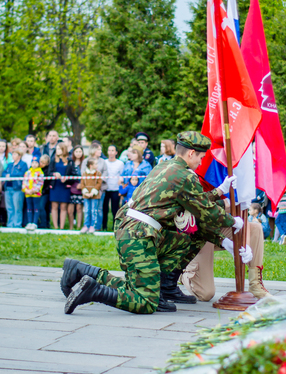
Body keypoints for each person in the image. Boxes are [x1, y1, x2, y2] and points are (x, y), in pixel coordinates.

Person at [62, 131, 244, 316]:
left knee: (186, 239)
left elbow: (194, 202)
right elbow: (205, 212)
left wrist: (219, 191)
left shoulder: (165, 166)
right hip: (139, 234)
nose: (200, 162)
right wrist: (233, 222)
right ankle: (93, 291)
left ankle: (83, 271)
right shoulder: (185, 176)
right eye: (200, 157)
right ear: (191, 153)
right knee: (145, 302)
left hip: (132, 228)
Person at [81, 142, 108, 230]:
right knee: (88, 209)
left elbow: (105, 173)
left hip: (100, 189)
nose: (100, 151)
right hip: (87, 189)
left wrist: (98, 182)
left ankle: (97, 227)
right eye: (99, 149)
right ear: (93, 150)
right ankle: (87, 225)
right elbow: (83, 174)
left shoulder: (103, 161)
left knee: (98, 209)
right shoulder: (86, 161)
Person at [49, 143, 73, 230]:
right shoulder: (53, 160)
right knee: (54, 206)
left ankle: (62, 227)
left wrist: (66, 179)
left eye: (59, 149)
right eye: (57, 149)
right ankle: (55, 226)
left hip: (64, 186)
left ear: (64, 149)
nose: (57, 150)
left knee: (63, 207)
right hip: (55, 186)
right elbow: (49, 172)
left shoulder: (69, 161)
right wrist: (54, 174)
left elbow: (73, 174)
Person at [2, 147, 27, 228]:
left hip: (17, 188)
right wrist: (6, 176)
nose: (13, 156)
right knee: (9, 207)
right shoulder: (10, 165)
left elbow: (22, 174)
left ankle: (17, 224)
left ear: (19, 155)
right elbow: (4, 173)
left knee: (17, 207)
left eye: (15, 154)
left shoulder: (23, 165)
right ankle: (10, 224)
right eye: (12, 154)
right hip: (8, 188)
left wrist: (11, 176)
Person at [102, 144, 124, 231]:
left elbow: (122, 175)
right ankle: (104, 227)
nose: (110, 152)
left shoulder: (120, 163)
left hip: (115, 189)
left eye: (112, 150)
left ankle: (115, 227)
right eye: (109, 150)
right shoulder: (104, 162)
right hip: (105, 189)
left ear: (116, 152)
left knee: (115, 209)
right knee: (104, 209)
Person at [80, 157, 103, 234]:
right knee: (87, 210)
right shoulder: (84, 173)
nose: (97, 165)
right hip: (86, 195)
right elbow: (82, 184)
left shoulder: (98, 173)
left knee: (94, 210)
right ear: (91, 165)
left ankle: (93, 226)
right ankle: (86, 225)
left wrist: (92, 192)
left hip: (94, 196)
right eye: (95, 164)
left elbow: (99, 184)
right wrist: (86, 192)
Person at [22, 156, 44, 230]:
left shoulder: (40, 173)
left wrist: (34, 190)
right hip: (28, 193)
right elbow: (24, 182)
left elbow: (40, 183)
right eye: (33, 163)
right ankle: (29, 222)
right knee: (29, 208)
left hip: (36, 194)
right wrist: (26, 190)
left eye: (36, 163)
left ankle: (34, 223)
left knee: (36, 208)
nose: (34, 164)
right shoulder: (28, 172)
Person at [68, 145, 84, 230]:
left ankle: (79, 226)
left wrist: (82, 184)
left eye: (80, 152)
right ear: (73, 153)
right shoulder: (70, 163)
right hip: (71, 188)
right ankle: (71, 227)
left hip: (80, 188)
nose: (78, 153)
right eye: (76, 152)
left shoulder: (84, 163)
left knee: (79, 208)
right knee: (70, 210)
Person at [38, 154, 52, 229]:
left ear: (47, 163)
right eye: (41, 162)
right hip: (38, 191)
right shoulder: (37, 169)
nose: (41, 164)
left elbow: (48, 183)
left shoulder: (48, 171)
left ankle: (44, 224)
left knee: (42, 207)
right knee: (42, 207)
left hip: (45, 192)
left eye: (43, 163)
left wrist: (44, 191)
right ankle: (43, 223)